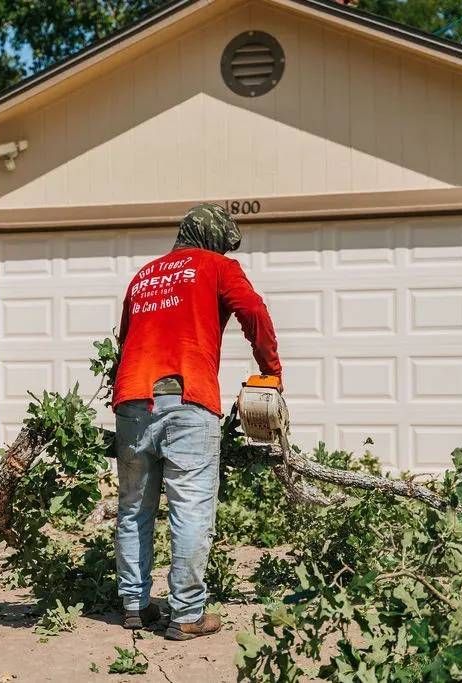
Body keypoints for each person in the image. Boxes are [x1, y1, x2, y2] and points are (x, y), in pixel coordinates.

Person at [112, 203, 282, 641]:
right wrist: (271, 371)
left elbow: (124, 337)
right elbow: (255, 313)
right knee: (191, 508)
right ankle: (187, 614)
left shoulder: (145, 274)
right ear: (214, 240)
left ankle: (134, 605)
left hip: (133, 398)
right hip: (187, 397)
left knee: (133, 509)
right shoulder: (218, 268)